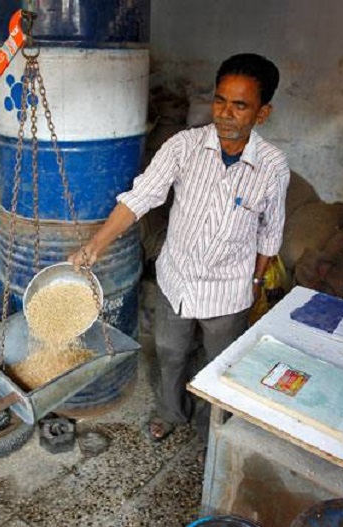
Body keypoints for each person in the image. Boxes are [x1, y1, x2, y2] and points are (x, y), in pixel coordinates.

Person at [70, 53, 289, 442]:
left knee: (219, 365)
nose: (225, 113)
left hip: (228, 289)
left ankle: (210, 429)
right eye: (220, 100)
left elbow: (270, 232)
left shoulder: (273, 166)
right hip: (177, 280)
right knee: (170, 353)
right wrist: (96, 245)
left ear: (262, 113)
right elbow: (140, 198)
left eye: (240, 105)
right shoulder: (183, 146)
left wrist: (255, 281)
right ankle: (170, 412)